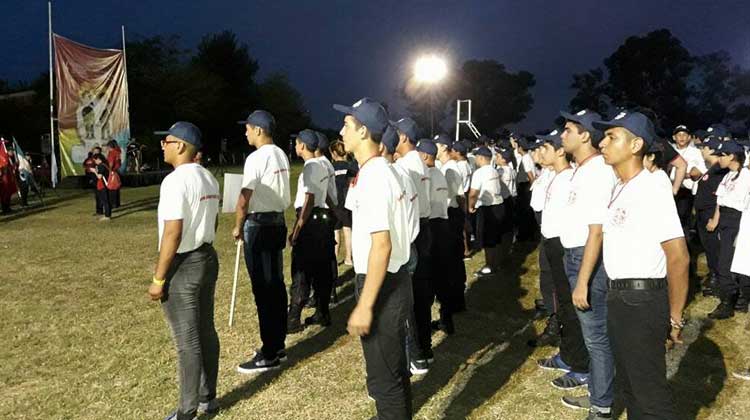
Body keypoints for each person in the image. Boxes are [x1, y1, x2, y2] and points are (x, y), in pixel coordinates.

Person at [595, 110, 688, 420]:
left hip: (642, 299)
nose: (603, 142)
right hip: (620, 296)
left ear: (636, 145)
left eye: (612, 137)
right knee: (632, 386)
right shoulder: (621, 187)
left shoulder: (652, 187)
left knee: (649, 394)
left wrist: (674, 317)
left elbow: (678, 256)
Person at [335, 97, 413, 419]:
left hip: (383, 286)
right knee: (392, 373)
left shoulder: (376, 177)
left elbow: (382, 246)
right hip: (392, 281)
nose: (341, 130)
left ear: (364, 131)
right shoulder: (380, 172)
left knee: (385, 381)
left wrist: (365, 306)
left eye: (347, 124)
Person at [147, 121, 221, 420]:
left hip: (184, 264)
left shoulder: (175, 181)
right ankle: (208, 397)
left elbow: (172, 233)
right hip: (207, 256)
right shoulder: (207, 177)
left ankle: (187, 410)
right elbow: (213, 221)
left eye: (166, 141)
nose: (162, 145)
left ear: (180, 146)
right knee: (205, 331)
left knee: (187, 340)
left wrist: (158, 278)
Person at [556, 110, 615, 417]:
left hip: (586, 259)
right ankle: (598, 389)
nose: (562, 135)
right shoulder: (582, 169)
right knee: (592, 335)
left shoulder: (598, 172)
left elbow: (597, 231)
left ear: (585, 135)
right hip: (575, 255)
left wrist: (583, 280)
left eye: (568, 130)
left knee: (596, 337)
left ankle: (602, 405)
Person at [233, 110, 291, 373]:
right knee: (276, 285)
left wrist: (237, 225)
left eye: (248, 128)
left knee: (264, 289)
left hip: (259, 225)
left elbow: (245, 196)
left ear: (258, 129)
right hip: (277, 222)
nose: (245, 132)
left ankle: (269, 352)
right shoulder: (280, 154)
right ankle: (277, 344)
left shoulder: (257, 157)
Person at [392, 117, 434, 372]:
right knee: (422, 293)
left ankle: (415, 353)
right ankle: (424, 349)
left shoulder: (406, 165)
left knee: (410, 295)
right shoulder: (418, 161)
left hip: (415, 228)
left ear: (404, 137)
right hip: (425, 225)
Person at [287, 130, 334, 332]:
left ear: (303, 146)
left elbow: (309, 198)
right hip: (323, 220)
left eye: (296, 143)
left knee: (302, 270)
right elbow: (329, 197)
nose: (295, 147)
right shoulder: (323, 165)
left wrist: (297, 229)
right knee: (322, 269)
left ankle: (293, 319)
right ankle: (322, 313)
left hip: (310, 220)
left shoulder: (310, 166)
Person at [706, 140, 750, 319]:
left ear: (732, 156)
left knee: (727, 264)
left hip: (737, 220)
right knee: (724, 261)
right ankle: (736, 298)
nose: (718, 159)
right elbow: (720, 200)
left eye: (721, 155)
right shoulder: (727, 175)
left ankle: (729, 302)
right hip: (724, 219)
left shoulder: (746, 175)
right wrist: (715, 220)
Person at [417, 139, 456, 335]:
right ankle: (446, 318)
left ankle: (425, 322)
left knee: (428, 276)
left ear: (424, 156)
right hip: (443, 225)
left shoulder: (426, 176)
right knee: (443, 274)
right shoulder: (440, 173)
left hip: (431, 226)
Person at [435, 134, 468, 313]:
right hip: (451, 214)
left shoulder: (450, 169)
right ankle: (455, 297)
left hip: (451, 214)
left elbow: (459, 195)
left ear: (444, 147)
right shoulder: (447, 167)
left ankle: (455, 299)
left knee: (452, 259)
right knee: (453, 259)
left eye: (437, 145)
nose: (435, 149)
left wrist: (462, 219)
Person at [695, 136, 729, 296]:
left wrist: (715, 218)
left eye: (704, 148)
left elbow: (720, 197)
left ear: (712, 150)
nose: (702, 151)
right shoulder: (712, 168)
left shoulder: (720, 170)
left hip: (711, 215)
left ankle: (718, 280)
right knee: (709, 248)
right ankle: (713, 274)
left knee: (715, 249)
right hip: (703, 214)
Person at [467, 147, 506, 276]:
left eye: (477, 157)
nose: (476, 159)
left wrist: (470, 206)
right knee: (496, 238)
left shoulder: (479, 173)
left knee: (488, 239)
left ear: (481, 158)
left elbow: (473, 193)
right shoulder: (494, 171)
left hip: (488, 208)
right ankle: (497, 263)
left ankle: (489, 266)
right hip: (499, 205)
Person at [330, 139, 357, 265]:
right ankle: (348, 258)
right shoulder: (350, 167)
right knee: (347, 230)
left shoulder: (330, 167)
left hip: (334, 203)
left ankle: (334, 258)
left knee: (335, 231)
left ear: (334, 153)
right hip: (347, 202)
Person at [92, 154, 112, 221]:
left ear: (98, 159)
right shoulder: (104, 164)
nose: (95, 162)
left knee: (105, 201)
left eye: (95, 160)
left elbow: (99, 177)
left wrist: (94, 171)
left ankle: (107, 216)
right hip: (103, 185)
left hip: (103, 185)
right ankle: (107, 214)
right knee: (105, 200)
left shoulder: (101, 166)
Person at [106, 140, 122, 208]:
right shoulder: (117, 152)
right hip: (116, 170)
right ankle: (117, 203)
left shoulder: (112, 153)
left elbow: (111, 162)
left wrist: (109, 170)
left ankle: (113, 203)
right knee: (116, 187)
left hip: (112, 171)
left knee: (111, 188)